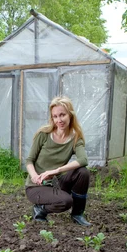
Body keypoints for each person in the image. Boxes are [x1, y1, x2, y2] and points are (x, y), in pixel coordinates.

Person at [25, 96, 91, 226]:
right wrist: (34, 176)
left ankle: (78, 214)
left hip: (57, 182)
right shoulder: (43, 134)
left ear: (70, 115)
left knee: (83, 172)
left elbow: (83, 159)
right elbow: (29, 160)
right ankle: (40, 209)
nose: (59, 120)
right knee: (65, 201)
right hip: (36, 186)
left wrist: (56, 171)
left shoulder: (75, 138)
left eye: (62, 115)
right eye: (55, 116)